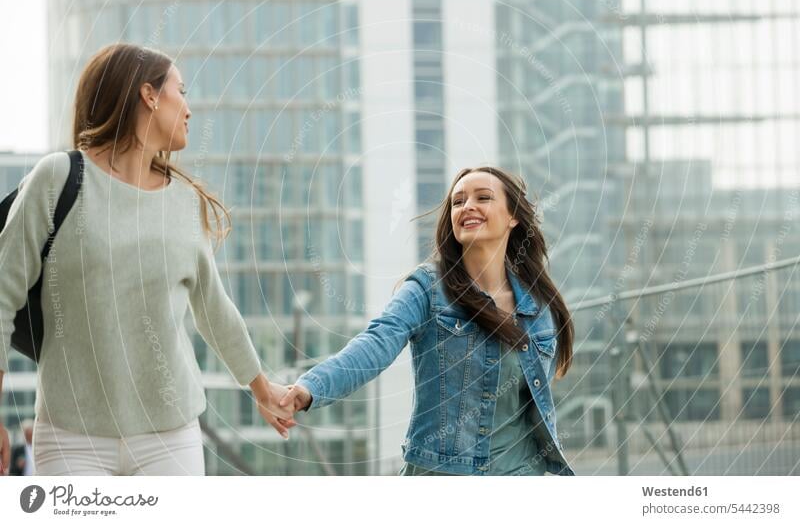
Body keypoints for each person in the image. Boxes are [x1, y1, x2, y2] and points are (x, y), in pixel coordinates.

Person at [0, 43, 294, 476]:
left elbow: (214, 308)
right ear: (149, 96)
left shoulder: (182, 201)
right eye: (182, 91)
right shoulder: (57, 179)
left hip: (170, 439)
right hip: (70, 439)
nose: (190, 109)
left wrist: (260, 386)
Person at [279, 167, 576, 475]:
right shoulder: (428, 289)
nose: (467, 206)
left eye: (483, 197)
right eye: (458, 201)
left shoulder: (539, 306)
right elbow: (376, 343)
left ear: (513, 217)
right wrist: (308, 388)